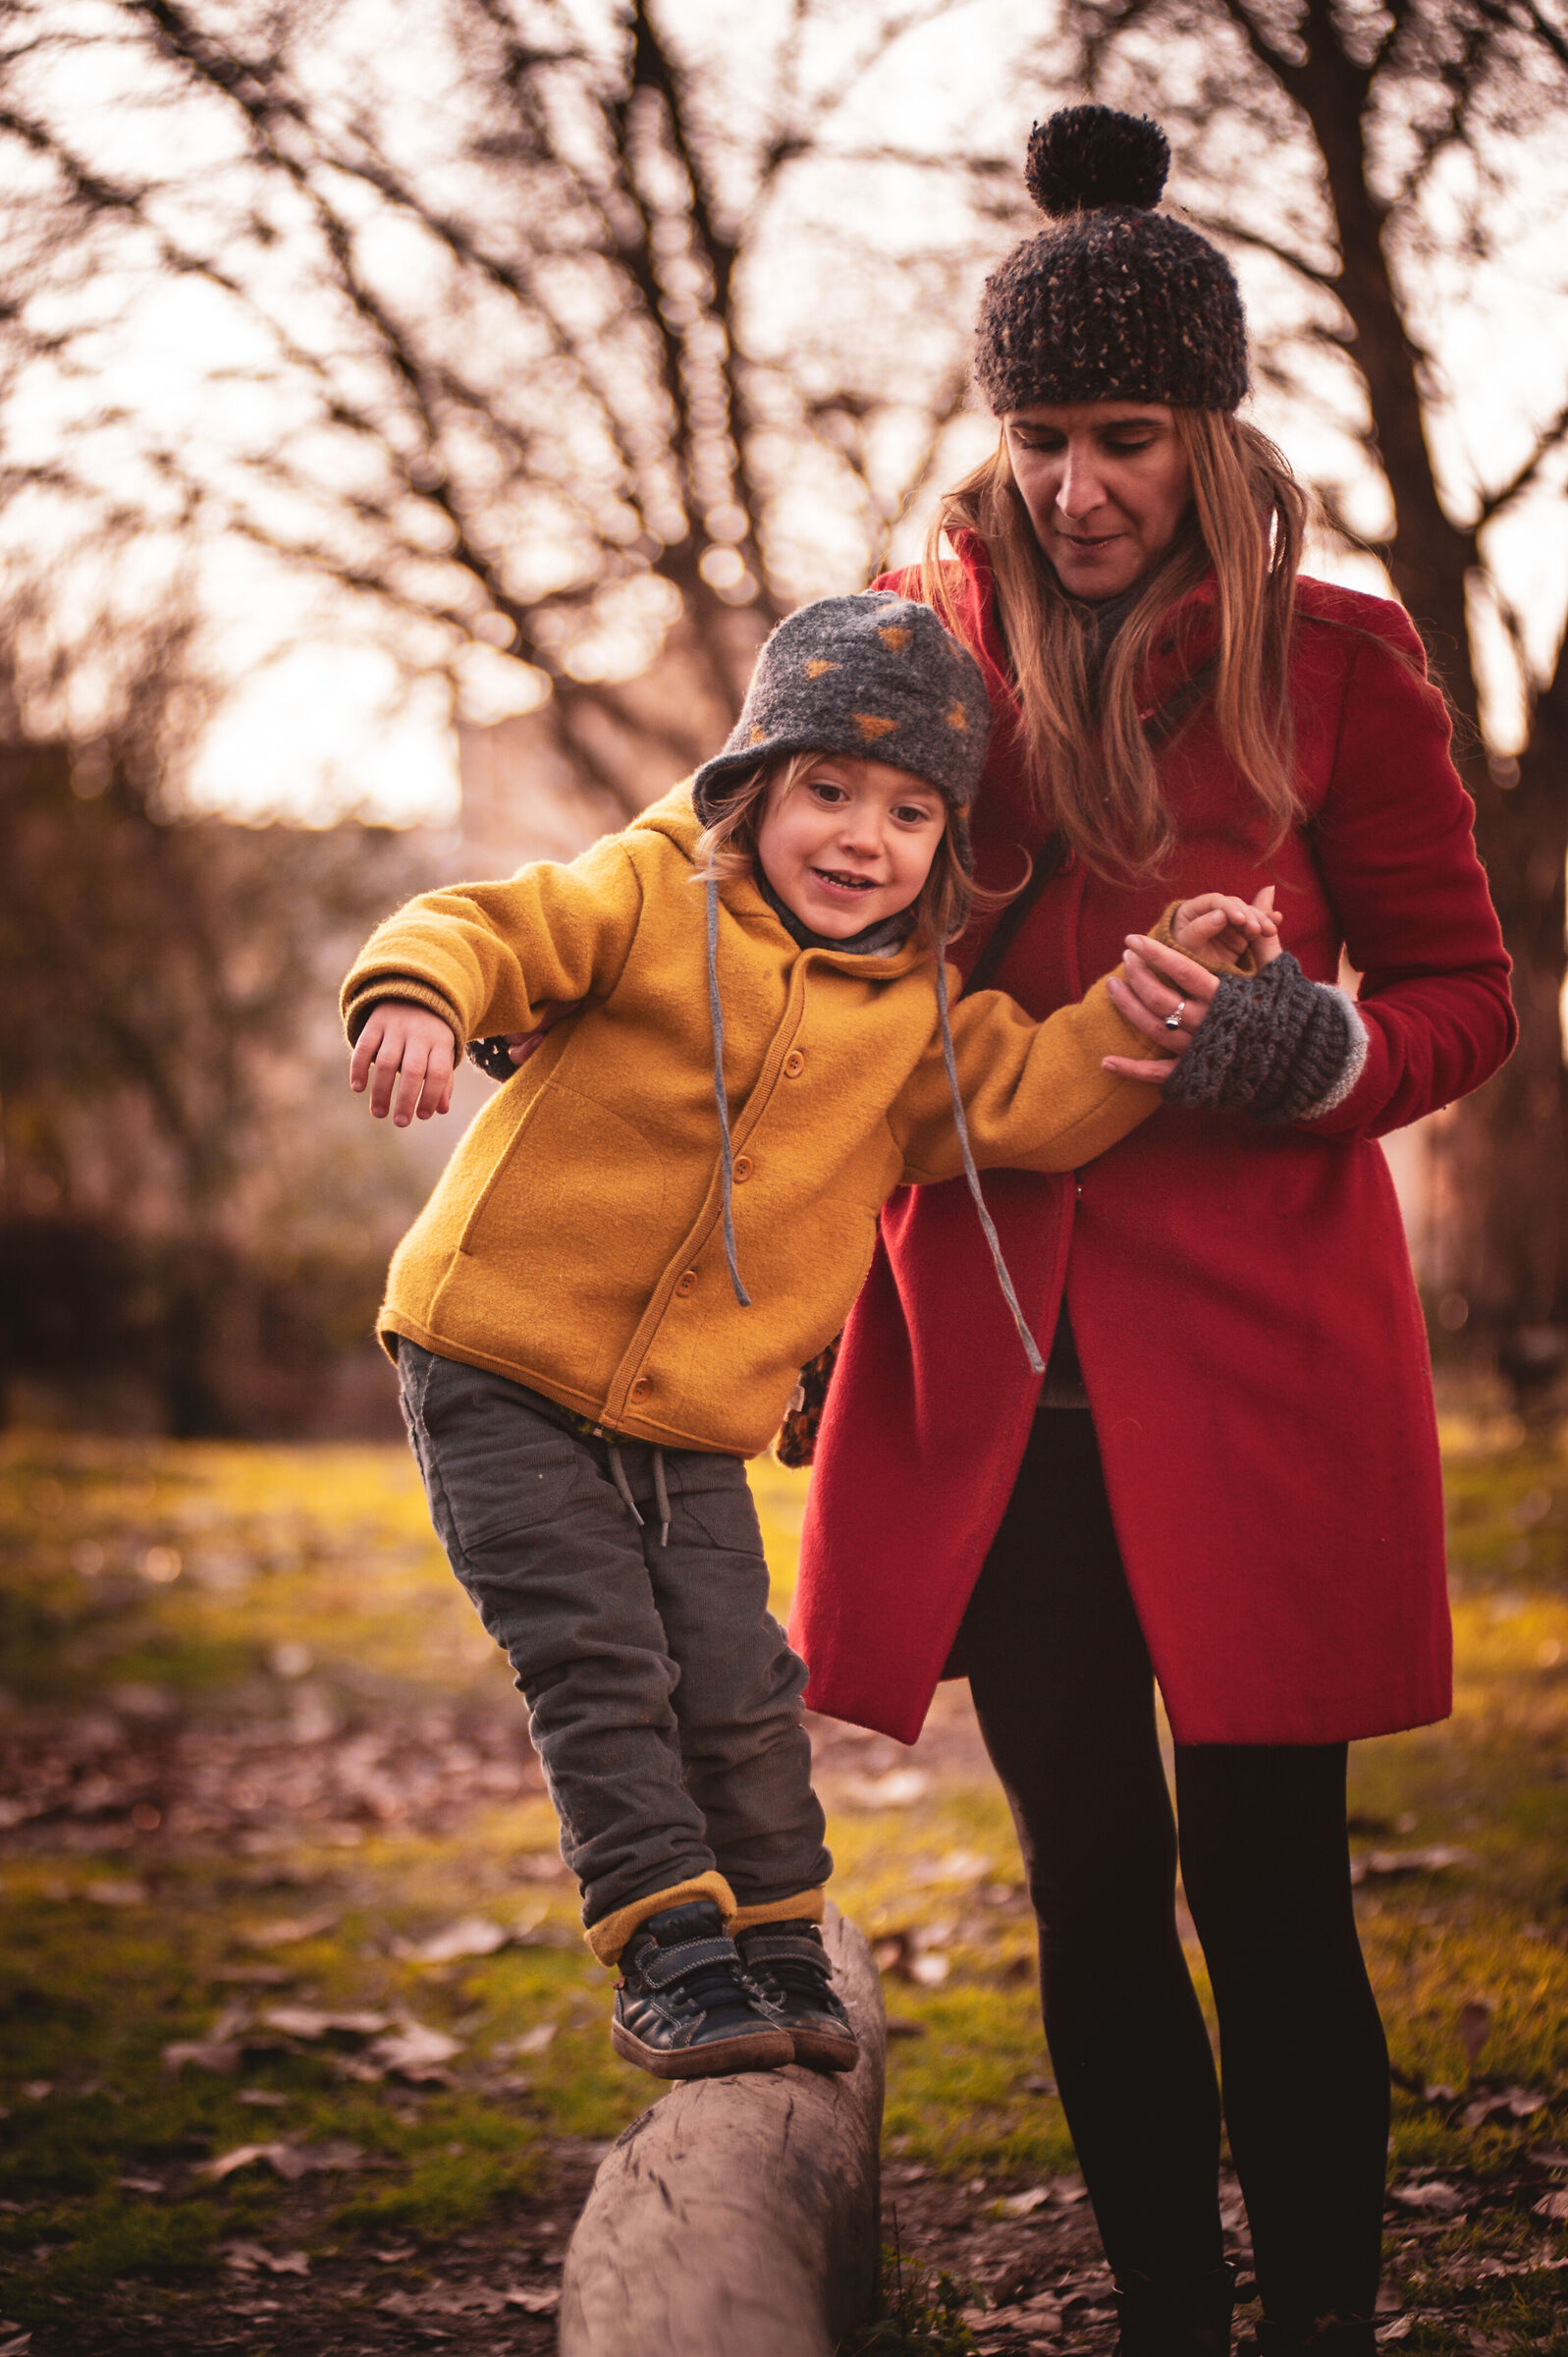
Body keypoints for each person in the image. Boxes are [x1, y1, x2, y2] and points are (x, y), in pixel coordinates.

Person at [788, 107, 1516, 2357]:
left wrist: (1320, 1060)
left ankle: (1315, 2327)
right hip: (993, 1378)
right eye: (1039, 435)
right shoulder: (907, 650)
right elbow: (775, 941)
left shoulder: (1339, 661)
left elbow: (1467, 995)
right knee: (1089, 1887)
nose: (1076, 483)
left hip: (1262, 1373)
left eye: (1121, 434)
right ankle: (1170, 2332)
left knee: (1272, 1886)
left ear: (1206, 431)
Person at [340, 589, 1271, 2085]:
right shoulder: (643, 898)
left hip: (695, 1419)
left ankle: (776, 1934)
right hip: (495, 1362)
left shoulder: (910, 1017)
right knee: (596, 1660)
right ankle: (666, 1950)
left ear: (946, 850)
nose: (860, 837)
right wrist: (417, 1000)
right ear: (749, 793)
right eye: (824, 790)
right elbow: (479, 926)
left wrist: (1173, 986)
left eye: (908, 812)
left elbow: (1038, 1092)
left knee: (735, 1678)